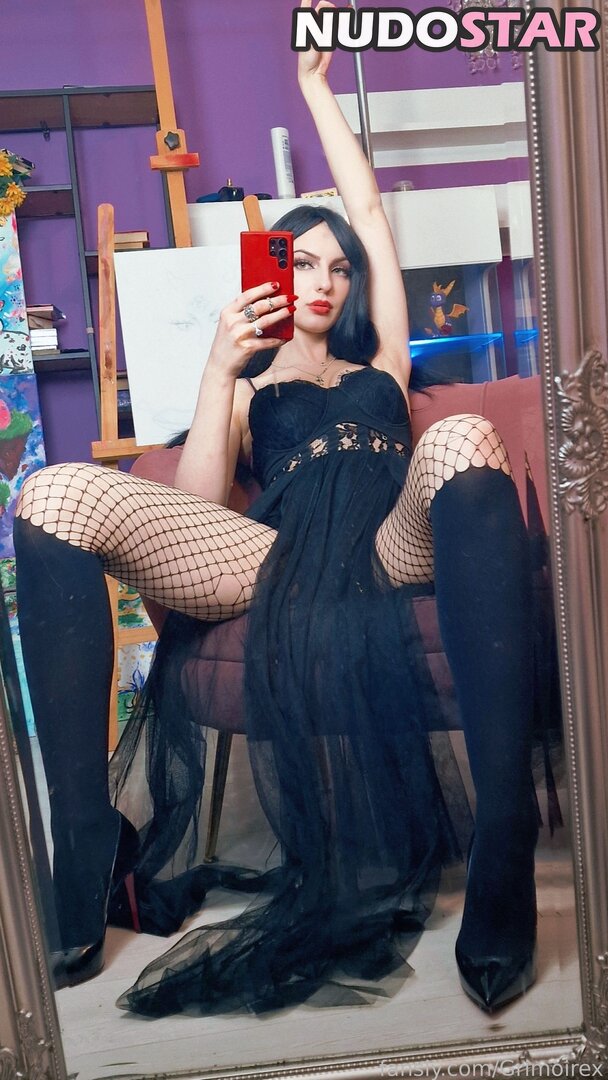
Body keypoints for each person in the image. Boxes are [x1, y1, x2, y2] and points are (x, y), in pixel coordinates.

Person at [13, 0, 538, 1018]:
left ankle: (502, 840)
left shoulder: (382, 363)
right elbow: (200, 504)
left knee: (467, 439)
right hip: (277, 549)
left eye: (337, 269)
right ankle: (84, 834)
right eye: (300, 262)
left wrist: (313, 89)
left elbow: (369, 216)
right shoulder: (250, 384)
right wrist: (219, 366)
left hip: (387, 539)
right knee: (51, 492)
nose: (324, 280)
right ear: (267, 272)